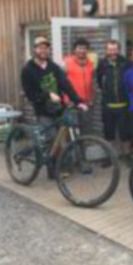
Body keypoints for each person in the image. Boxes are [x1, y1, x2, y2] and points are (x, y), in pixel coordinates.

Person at [21, 36, 88, 177]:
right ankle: (52, 172)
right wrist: (47, 95)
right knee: (52, 139)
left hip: (59, 108)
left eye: (46, 48)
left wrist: (78, 101)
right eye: (40, 47)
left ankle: (62, 165)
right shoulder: (28, 69)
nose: (43, 50)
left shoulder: (53, 67)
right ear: (34, 50)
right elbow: (30, 94)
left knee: (62, 138)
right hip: (43, 111)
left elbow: (65, 85)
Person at [96, 39, 131, 158]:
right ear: (106, 50)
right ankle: (110, 157)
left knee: (125, 133)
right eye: (110, 49)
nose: (112, 52)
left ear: (119, 50)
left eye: (115, 49)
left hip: (124, 105)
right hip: (108, 105)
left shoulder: (126, 63)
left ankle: (126, 155)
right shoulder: (102, 64)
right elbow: (99, 82)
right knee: (109, 133)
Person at [63, 38, 95, 134]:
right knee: (73, 130)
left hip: (86, 103)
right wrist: (66, 99)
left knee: (85, 129)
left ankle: (83, 149)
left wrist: (91, 99)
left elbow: (93, 82)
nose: (82, 51)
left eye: (84, 48)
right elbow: (61, 83)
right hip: (71, 103)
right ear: (74, 50)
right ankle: (73, 149)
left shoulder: (91, 63)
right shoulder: (66, 62)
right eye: (79, 48)